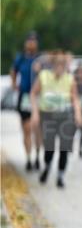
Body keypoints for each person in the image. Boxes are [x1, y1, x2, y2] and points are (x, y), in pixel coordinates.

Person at [30, 51, 82, 188]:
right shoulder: (43, 76)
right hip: (47, 115)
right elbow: (33, 94)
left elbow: (75, 98)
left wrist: (78, 113)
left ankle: (60, 176)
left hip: (65, 116)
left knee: (65, 148)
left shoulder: (69, 79)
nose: (60, 68)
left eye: (63, 65)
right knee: (49, 148)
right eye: (58, 65)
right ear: (53, 65)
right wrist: (35, 113)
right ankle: (47, 167)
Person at [10, 34, 41, 171]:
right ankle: (29, 158)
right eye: (29, 41)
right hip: (25, 96)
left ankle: (38, 157)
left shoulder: (41, 59)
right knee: (27, 129)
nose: (31, 43)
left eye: (33, 41)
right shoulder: (20, 58)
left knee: (38, 129)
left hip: (39, 97)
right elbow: (13, 70)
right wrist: (14, 84)